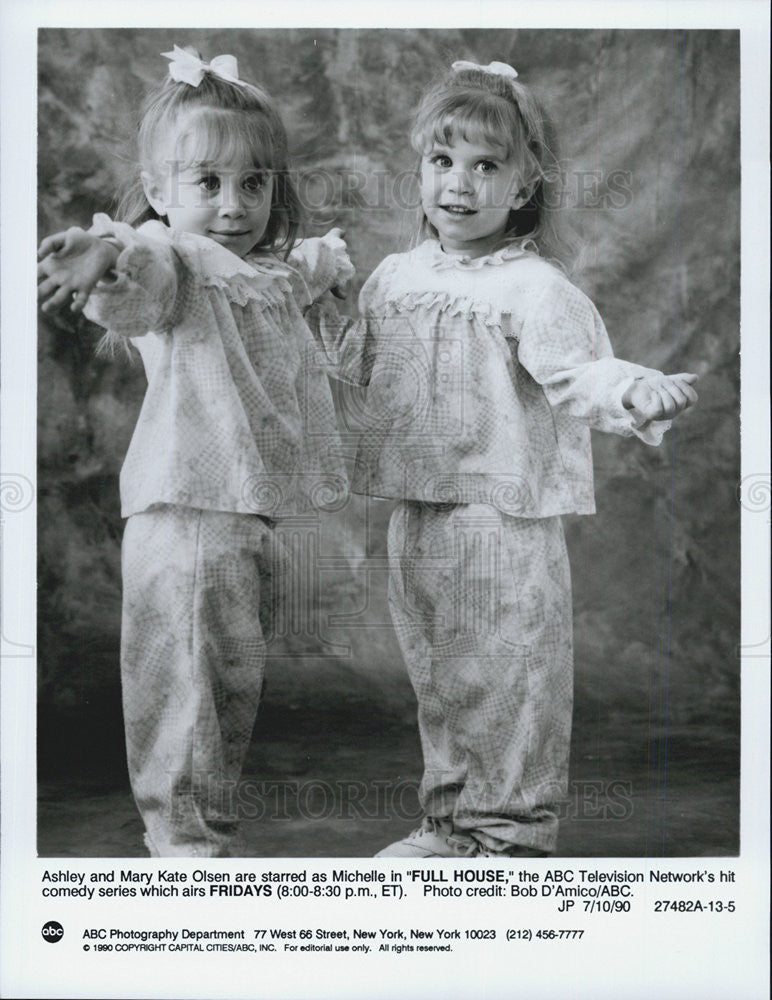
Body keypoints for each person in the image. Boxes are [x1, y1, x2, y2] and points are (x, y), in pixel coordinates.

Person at [310, 60, 698, 858]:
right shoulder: (394, 278)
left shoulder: (534, 287)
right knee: (441, 678)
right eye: (443, 161)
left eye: (487, 165)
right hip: (418, 509)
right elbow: (352, 374)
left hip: (502, 516)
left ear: (523, 187)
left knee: (511, 680)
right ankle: (452, 824)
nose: (460, 183)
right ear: (419, 171)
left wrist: (635, 390)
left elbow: (577, 372)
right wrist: (311, 306)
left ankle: (511, 836)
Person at [37, 46, 353, 858]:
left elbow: (304, 273)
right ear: (157, 193)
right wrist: (107, 259)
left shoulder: (260, 272)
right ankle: (185, 847)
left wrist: (335, 269)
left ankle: (202, 831)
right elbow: (141, 281)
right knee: (181, 686)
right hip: (183, 514)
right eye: (206, 184)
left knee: (225, 687)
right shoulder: (175, 262)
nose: (233, 205)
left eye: (254, 183)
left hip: (238, 517)